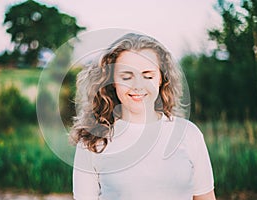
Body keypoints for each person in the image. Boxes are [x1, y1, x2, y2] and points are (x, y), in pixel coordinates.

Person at [69, 33, 216, 200]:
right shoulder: (92, 141)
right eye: (126, 77)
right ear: (112, 80)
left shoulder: (189, 133)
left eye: (148, 76)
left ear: (161, 78)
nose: (138, 85)